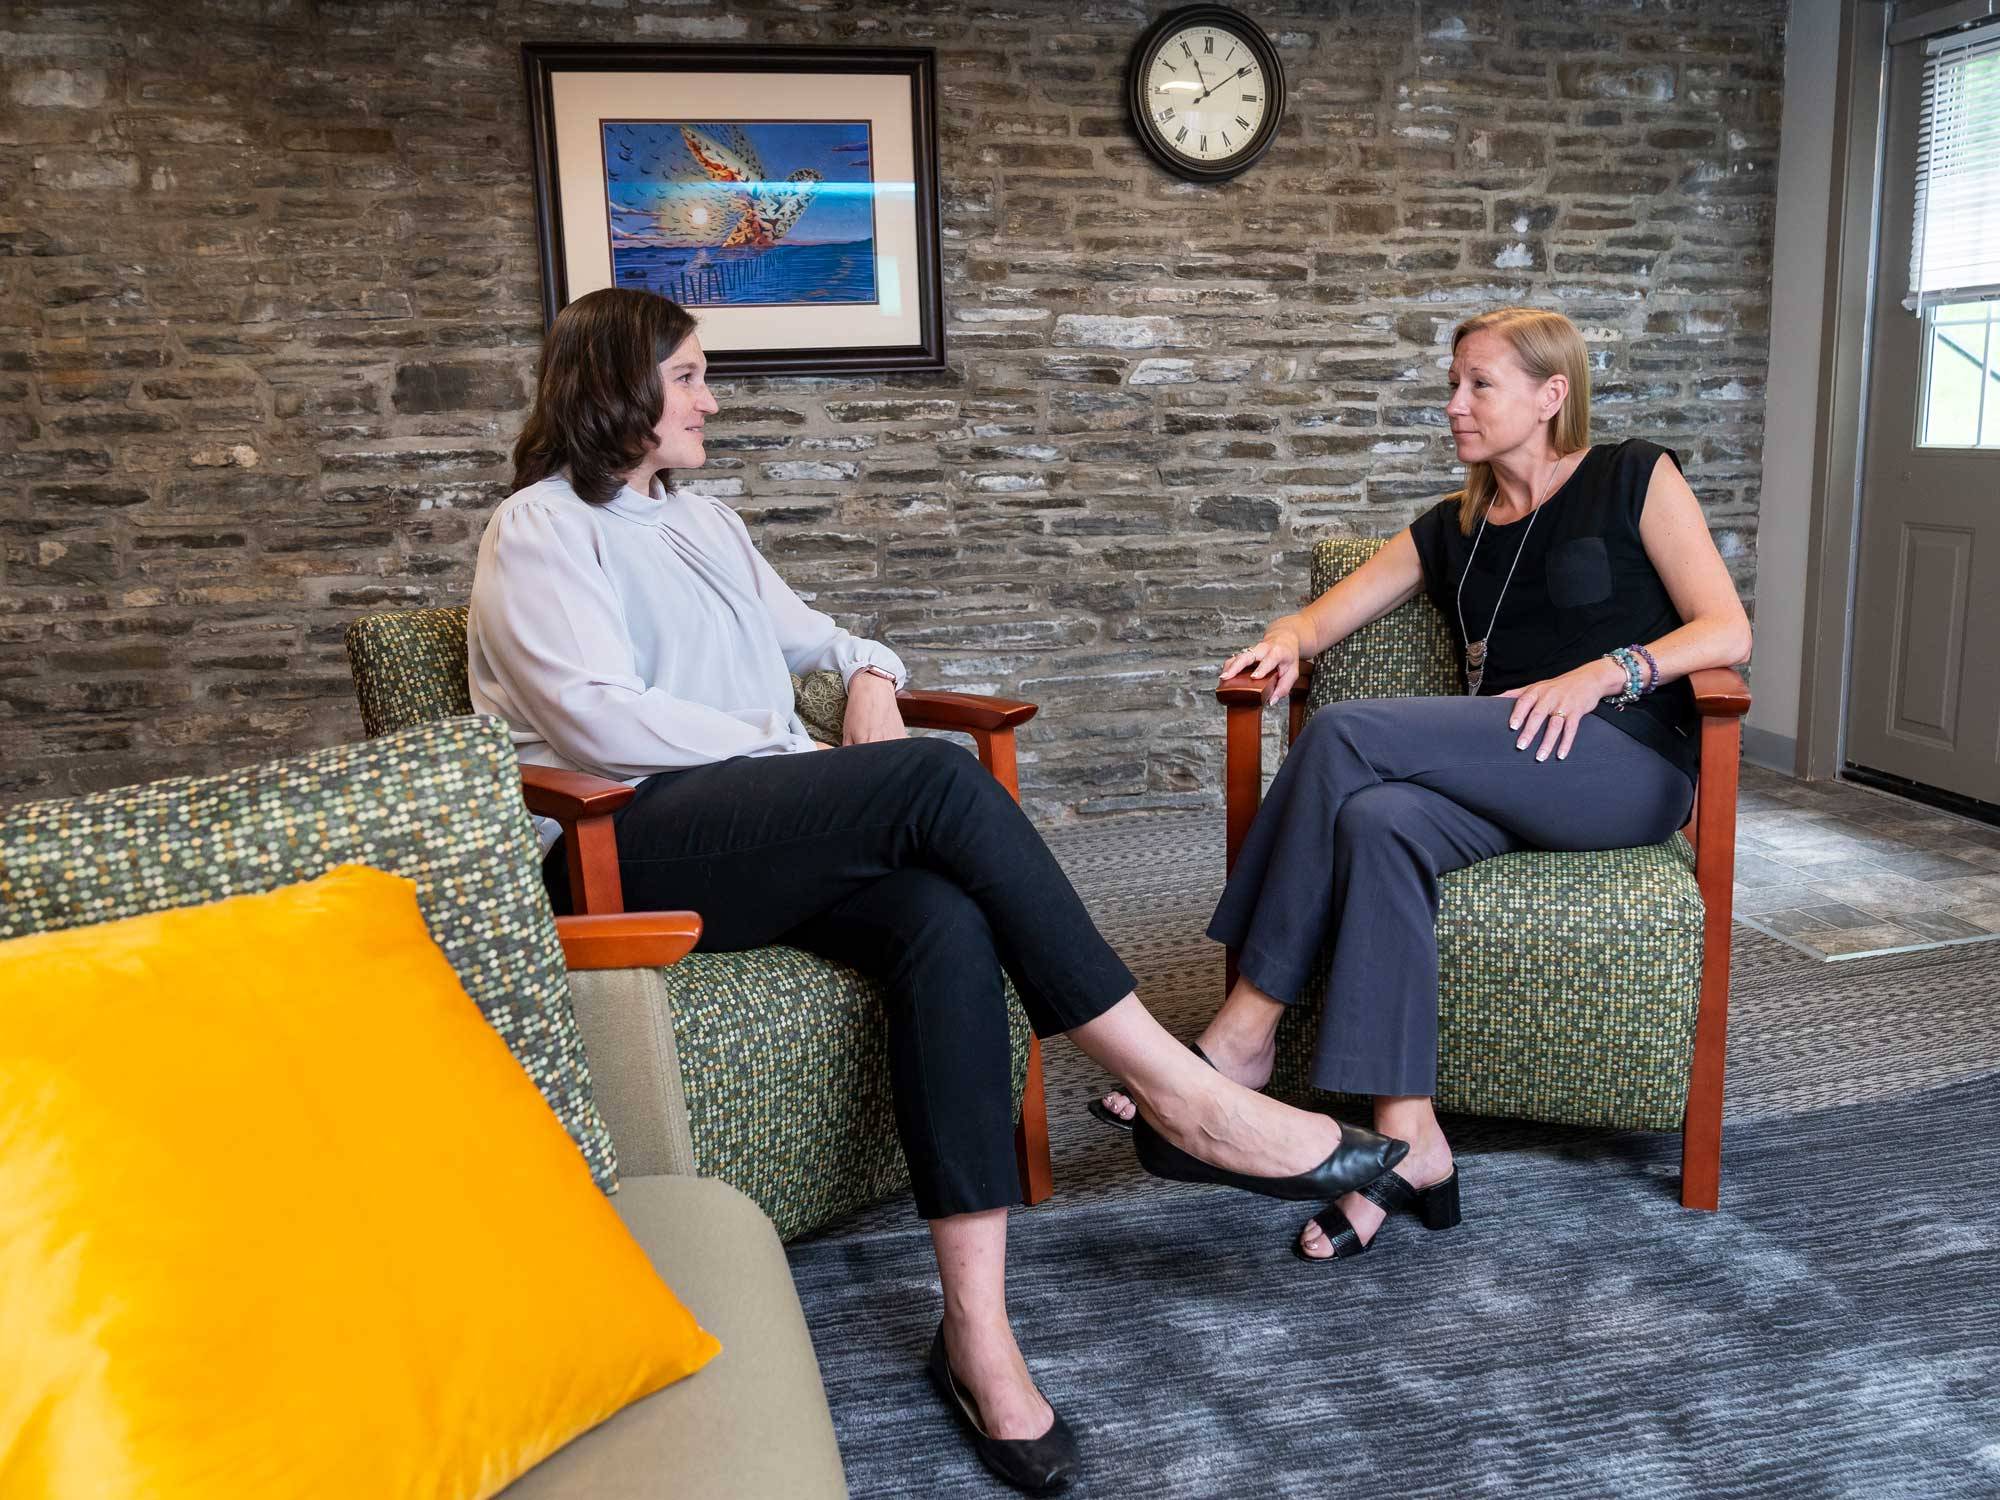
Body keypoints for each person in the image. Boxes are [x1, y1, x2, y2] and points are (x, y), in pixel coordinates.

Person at [466, 287, 1408, 1494]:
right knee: (927, 781)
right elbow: (590, 714)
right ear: (621, 387)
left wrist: (868, 673)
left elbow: (821, 636)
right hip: (617, 843)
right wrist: (808, 760)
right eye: (691, 375)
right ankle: (1179, 1090)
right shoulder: (538, 529)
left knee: (943, 919)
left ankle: (974, 1331)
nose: (710, 397)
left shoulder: (698, 519)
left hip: (749, 833)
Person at [1094, 305, 1752, 1265]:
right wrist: (1285, 640)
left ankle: (1243, 1034)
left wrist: (1603, 672)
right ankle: (1413, 1146)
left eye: (1479, 384)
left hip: (1625, 762)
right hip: (1513, 764)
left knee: (1349, 735)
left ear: (1549, 394)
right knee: (1381, 819)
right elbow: (1324, 620)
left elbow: (1726, 631)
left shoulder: (1633, 476)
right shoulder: (1457, 526)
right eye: (1453, 383)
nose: (1454, 404)